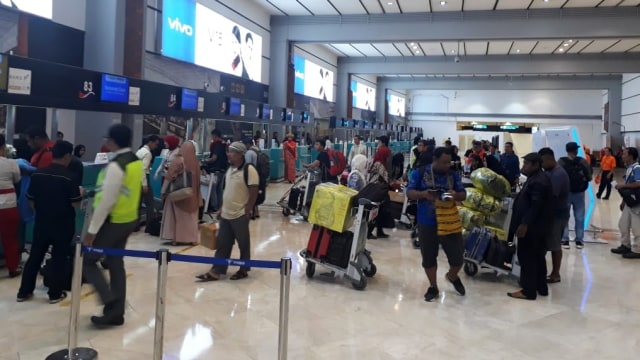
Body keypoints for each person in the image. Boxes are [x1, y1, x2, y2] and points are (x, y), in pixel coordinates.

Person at [83, 124, 143, 327]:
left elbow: (107, 200)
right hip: (129, 219)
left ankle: (109, 299)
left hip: (114, 221)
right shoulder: (135, 161)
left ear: (113, 141)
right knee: (116, 263)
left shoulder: (117, 166)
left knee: (88, 260)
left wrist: (92, 231)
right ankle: (116, 313)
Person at [17, 141, 81, 303]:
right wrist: (81, 194)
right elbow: (75, 203)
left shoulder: (38, 174)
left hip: (42, 222)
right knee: (59, 257)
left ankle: (24, 292)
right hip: (63, 223)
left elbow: (30, 200)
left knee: (35, 256)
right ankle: (54, 293)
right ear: (67, 155)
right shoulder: (70, 177)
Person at [406, 147, 467, 302]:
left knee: (458, 258)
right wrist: (423, 195)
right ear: (435, 159)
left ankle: (452, 276)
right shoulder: (419, 173)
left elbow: (463, 194)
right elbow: (409, 192)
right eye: (444, 162)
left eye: (449, 162)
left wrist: (456, 195)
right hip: (427, 222)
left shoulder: (453, 175)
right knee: (429, 257)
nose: (447, 165)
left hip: (449, 221)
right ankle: (433, 286)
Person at [196, 142, 259, 281]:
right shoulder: (229, 169)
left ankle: (243, 269)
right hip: (225, 214)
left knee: (243, 244)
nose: (228, 154)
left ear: (240, 154)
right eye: (228, 151)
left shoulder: (249, 170)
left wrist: (247, 210)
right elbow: (227, 191)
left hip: (239, 214)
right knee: (223, 243)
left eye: (232, 152)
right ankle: (216, 271)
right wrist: (221, 208)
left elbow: (254, 192)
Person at [507, 153, 553, 300]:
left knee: (526, 257)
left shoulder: (539, 181)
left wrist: (524, 224)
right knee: (538, 257)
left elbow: (535, 206)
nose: (523, 166)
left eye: (527, 164)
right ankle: (541, 287)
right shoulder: (536, 178)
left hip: (533, 227)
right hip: (538, 226)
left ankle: (528, 290)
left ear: (536, 165)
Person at [539, 147, 570, 284]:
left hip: (558, 214)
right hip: (553, 213)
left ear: (549, 159)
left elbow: (551, 195)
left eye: (542, 162)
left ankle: (555, 274)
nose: (541, 165)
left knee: (555, 244)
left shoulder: (558, 174)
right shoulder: (551, 171)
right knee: (548, 242)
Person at [161, 141, 200, 246]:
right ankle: (192, 239)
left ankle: (175, 239)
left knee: (176, 217)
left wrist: (163, 191)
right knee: (191, 217)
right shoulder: (195, 161)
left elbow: (169, 176)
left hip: (178, 193)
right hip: (192, 194)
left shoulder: (178, 160)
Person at [559, 142, 592, 249]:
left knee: (564, 216)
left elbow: (557, 176)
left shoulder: (561, 161)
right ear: (576, 150)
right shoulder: (582, 161)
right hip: (579, 192)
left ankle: (565, 240)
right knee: (579, 216)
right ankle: (579, 240)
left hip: (565, 193)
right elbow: (589, 176)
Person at [611, 147, 640, 259]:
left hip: (637, 202)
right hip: (629, 202)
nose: (622, 156)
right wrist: (623, 201)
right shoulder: (629, 168)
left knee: (637, 226)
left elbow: (638, 183)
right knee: (623, 224)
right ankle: (625, 245)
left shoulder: (637, 168)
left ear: (631, 156)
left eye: (624, 154)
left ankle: (638, 249)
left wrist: (623, 185)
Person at [0, 134, 22, 278]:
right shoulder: (11, 164)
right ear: (3, 148)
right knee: (10, 239)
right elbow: (17, 180)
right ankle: (13, 268)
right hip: (8, 205)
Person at [136, 135, 161, 229]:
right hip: (143, 178)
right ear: (150, 142)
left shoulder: (140, 151)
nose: (156, 146)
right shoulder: (148, 153)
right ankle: (150, 225)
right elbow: (143, 169)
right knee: (150, 203)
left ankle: (135, 226)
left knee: (137, 204)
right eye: (155, 144)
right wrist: (144, 184)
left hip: (136, 178)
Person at [205, 129, 229, 212]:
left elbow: (214, 158)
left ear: (215, 135)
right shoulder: (224, 144)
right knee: (219, 189)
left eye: (212, 136)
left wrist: (205, 161)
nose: (212, 138)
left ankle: (214, 206)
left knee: (213, 188)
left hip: (216, 170)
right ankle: (220, 206)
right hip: (223, 170)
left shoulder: (216, 145)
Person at [243, 137, 265, 219]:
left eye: (245, 144)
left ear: (248, 144)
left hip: (252, 175)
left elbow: (248, 165)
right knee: (255, 193)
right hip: (259, 175)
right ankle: (256, 212)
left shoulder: (249, 153)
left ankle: (251, 213)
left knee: (250, 194)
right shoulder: (258, 150)